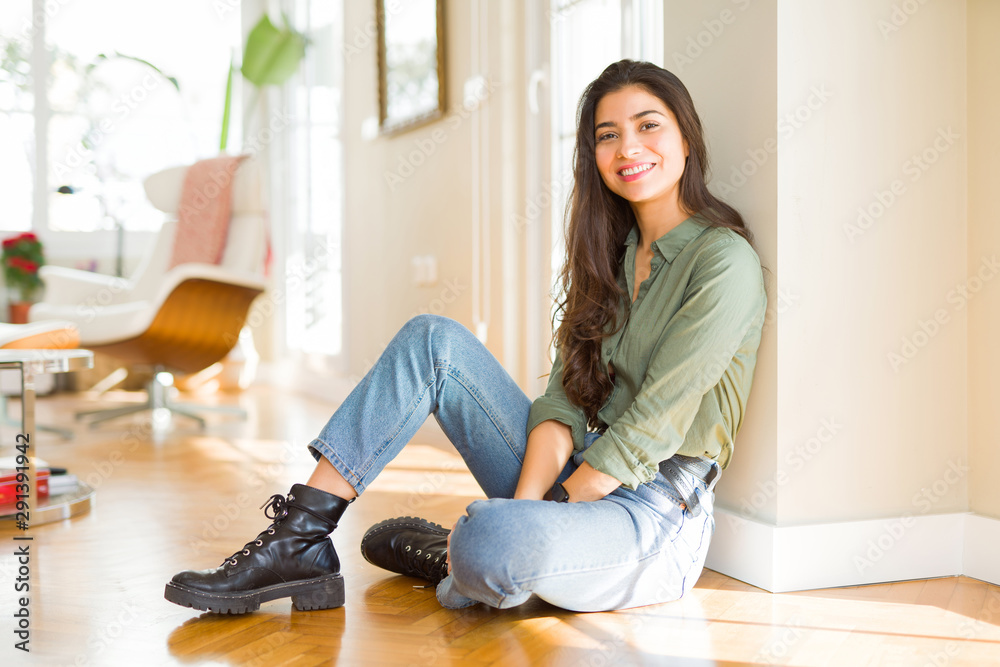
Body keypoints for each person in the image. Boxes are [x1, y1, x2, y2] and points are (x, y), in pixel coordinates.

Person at [164, 59, 767, 615]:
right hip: (569, 476)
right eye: (607, 135)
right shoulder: (606, 258)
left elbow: (649, 431)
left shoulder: (723, 261)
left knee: (493, 539)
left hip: (654, 511)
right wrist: (527, 504)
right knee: (433, 340)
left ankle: (477, 550)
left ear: (686, 137)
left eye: (647, 125)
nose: (627, 147)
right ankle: (301, 538)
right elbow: (562, 404)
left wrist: (526, 518)